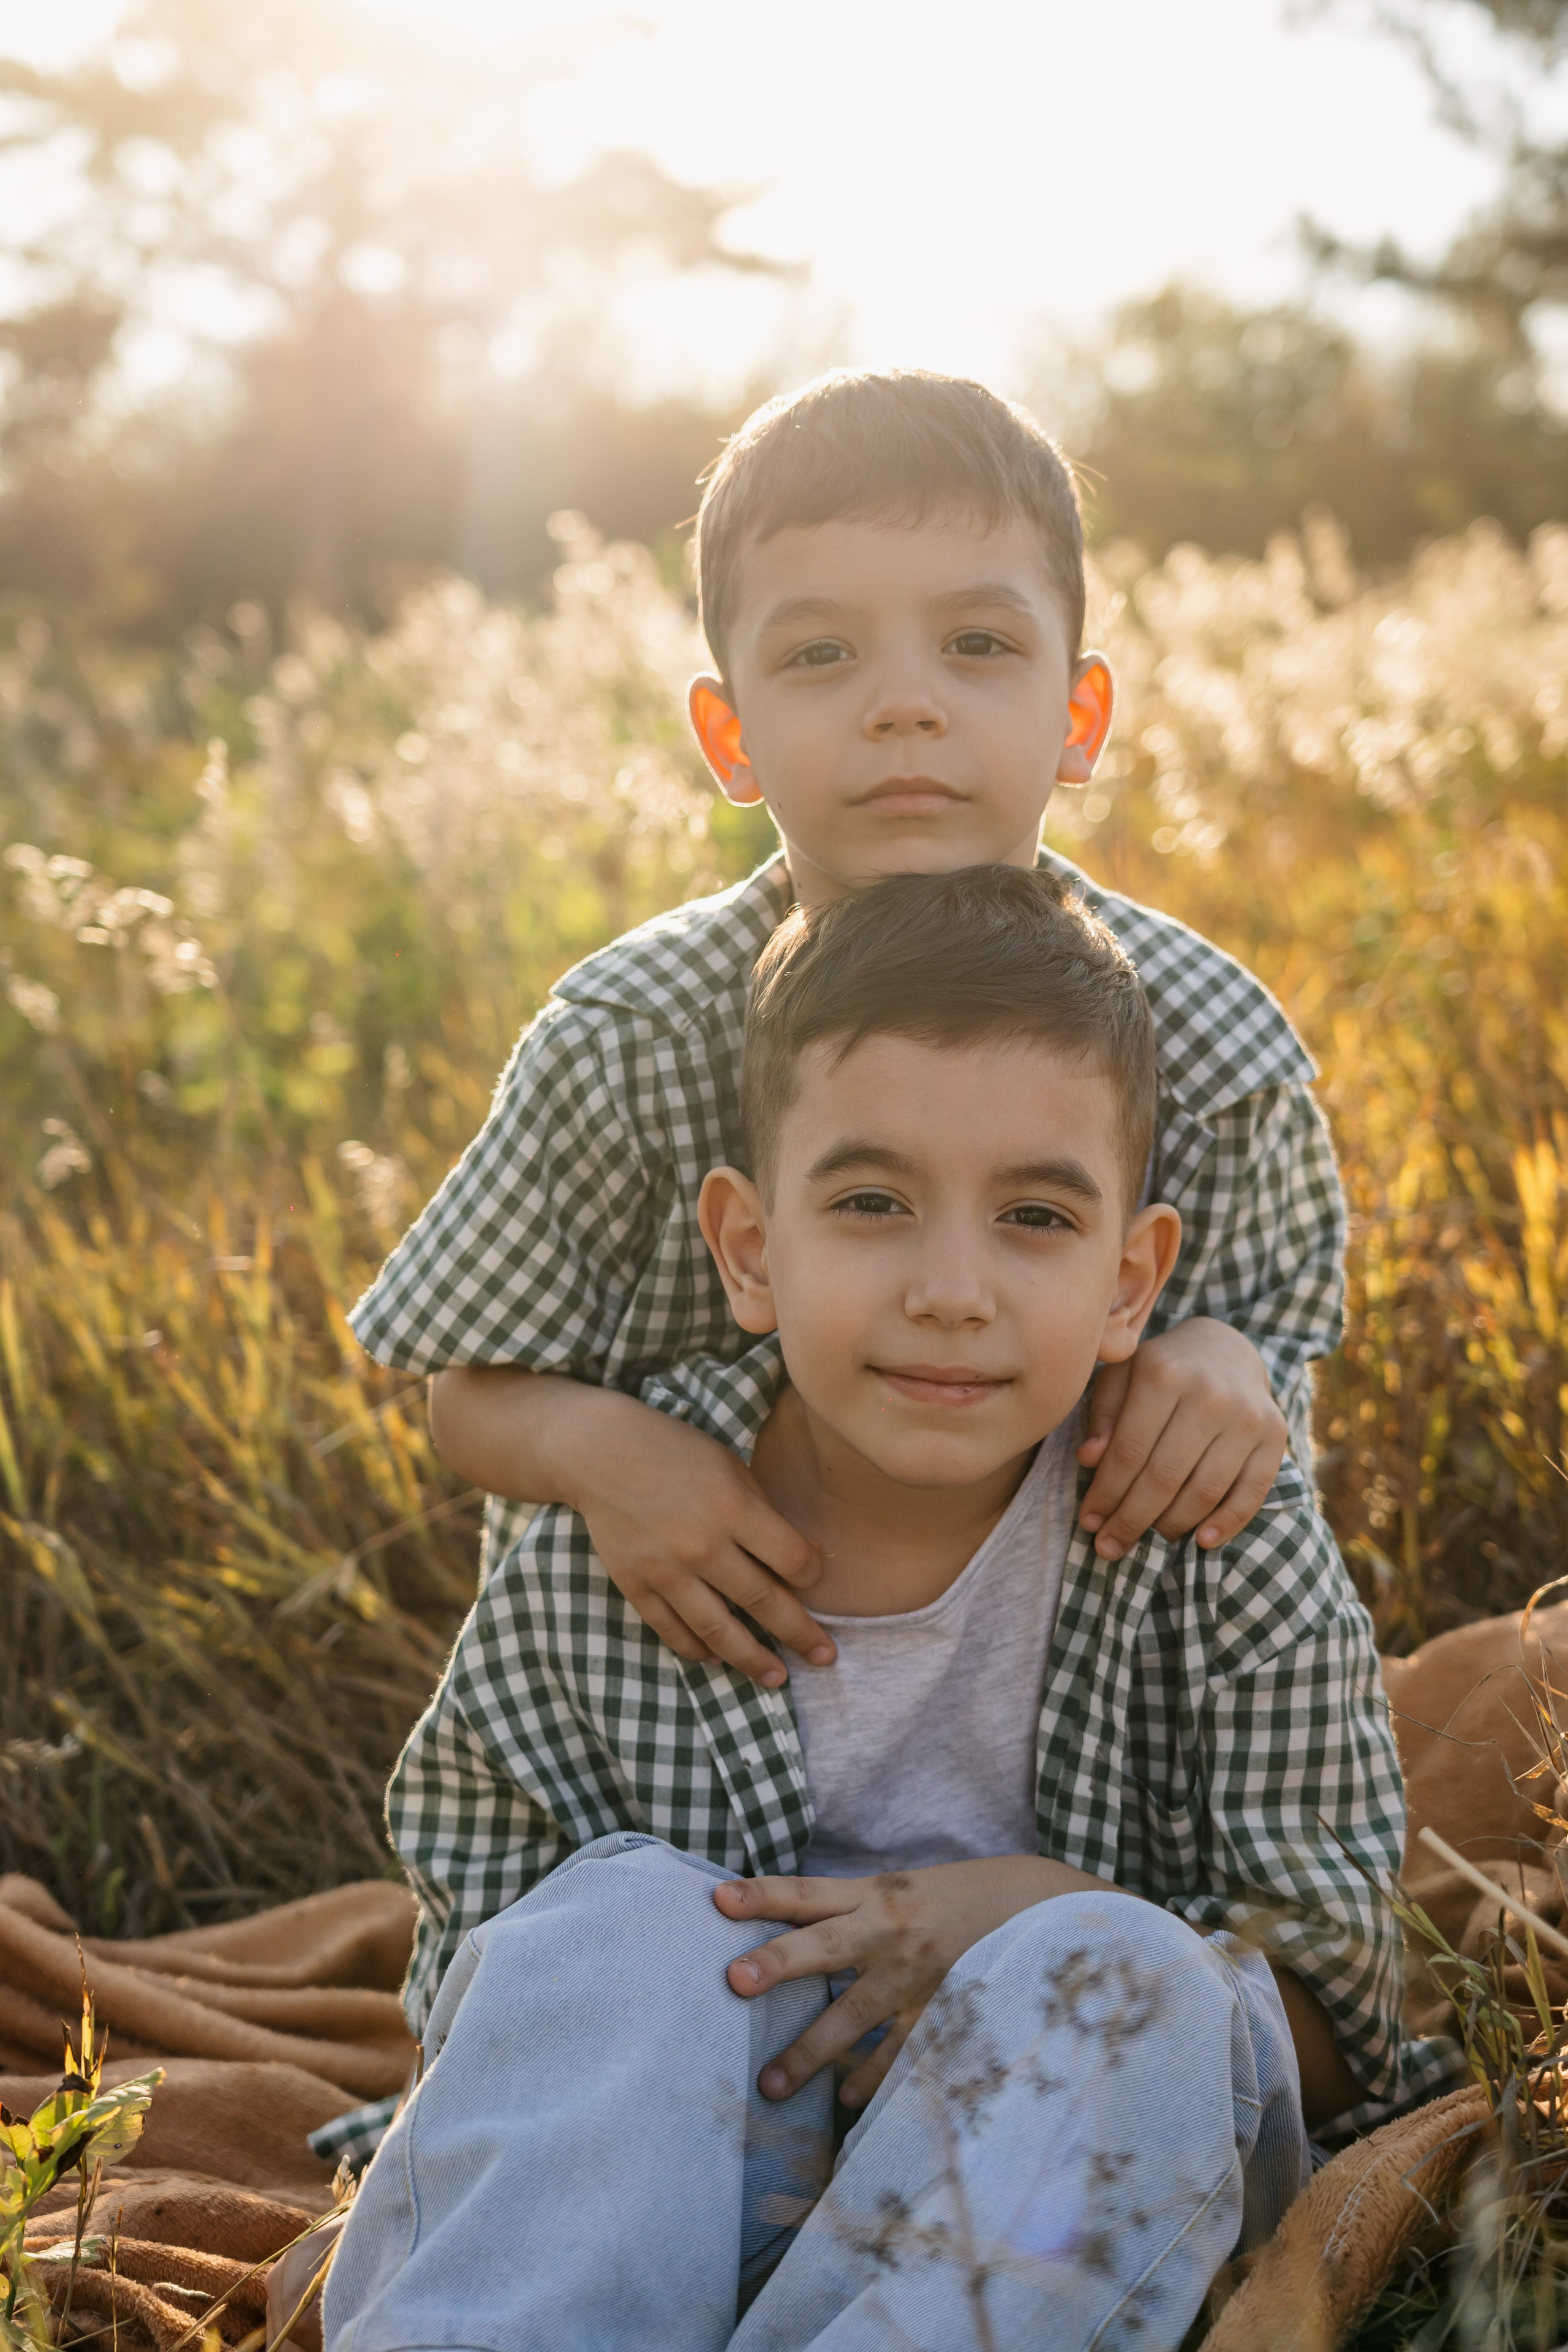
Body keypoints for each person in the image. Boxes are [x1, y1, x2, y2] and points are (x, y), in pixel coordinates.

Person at [323, 869, 1438, 2352]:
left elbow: (1334, 2007)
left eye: (1032, 1216)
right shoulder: (625, 1546)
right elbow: (499, 1986)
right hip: (687, 2166)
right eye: (871, 1203)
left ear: (1130, 1280)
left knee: (1139, 1985)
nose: (950, 1288)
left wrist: (1044, 1914)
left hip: (1038, 2186)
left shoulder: (1220, 1540)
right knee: (609, 1923)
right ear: (747, 1248)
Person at [347, 369, 1346, 1707]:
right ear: (729, 733)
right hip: (678, 1725)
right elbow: (466, 1389)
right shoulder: (623, 1041)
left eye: (976, 646)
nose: (902, 705)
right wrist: (601, 1452)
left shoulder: (1209, 1046)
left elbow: (1277, 1376)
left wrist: (1229, 1360)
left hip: (1080, 1724)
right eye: (820, 654)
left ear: (1077, 716)